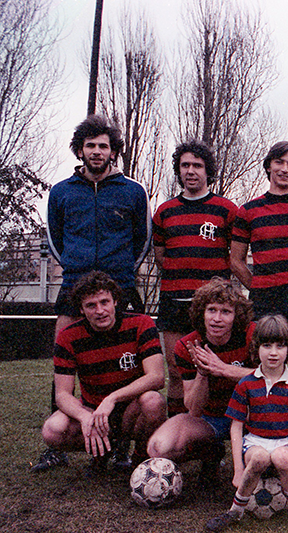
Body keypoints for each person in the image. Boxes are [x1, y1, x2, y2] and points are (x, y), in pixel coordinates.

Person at [35, 115, 151, 471]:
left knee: (127, 366)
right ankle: (59, 446)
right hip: (74, 284)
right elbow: (55, 238)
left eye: (103, 145)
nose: (97, 151)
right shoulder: (61, 191)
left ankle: (121, 446)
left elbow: (141, 240)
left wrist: (119, 273)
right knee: (64, 366)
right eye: (90, 145)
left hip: (121, 284)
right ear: (80, 150)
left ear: (113, 150)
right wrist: (76, 265)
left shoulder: (133, 191)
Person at [39, 271, 165, 473]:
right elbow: (62, 394)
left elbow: (157, 377)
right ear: (81, 309)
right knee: (52, 430)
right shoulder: (68, 336)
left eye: (104, 302)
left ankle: (140, 459)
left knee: (153, 401)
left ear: (115, 301)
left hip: (130, 409)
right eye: (91, 305)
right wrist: (84, 416)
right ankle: (104, 448)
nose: (100, 310)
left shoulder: (141, 323)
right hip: (94, 411)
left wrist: (112, 398)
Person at [205, 315, 288, 531]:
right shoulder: (246, 384)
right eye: (267, 345)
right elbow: (236, 425)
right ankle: (234, 512)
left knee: (281, 458)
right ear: (256, 348)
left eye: (280, 346)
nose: (273, 352)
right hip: (255, 441)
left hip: (284, 441)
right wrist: (238, 468)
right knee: (259, 458)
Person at [152, 141, 238, 417]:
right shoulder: (164, 212)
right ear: (178, 170)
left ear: (207, 171)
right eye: (185, 165)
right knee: (177, 372)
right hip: (174, 301)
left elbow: (235, 256)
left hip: (212, 307)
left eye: (197, 166)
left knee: (215, 371)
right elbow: (161, 256)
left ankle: (212, 436)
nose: (191, 171)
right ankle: (178, 428)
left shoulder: (226, 210)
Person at [230, 141, 288, 379]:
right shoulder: (248, 211)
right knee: (261, 371)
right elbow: (236, 260)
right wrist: (257, 285)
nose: (285, 169)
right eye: (279, 162)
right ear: (269, 166)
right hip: (264, 300)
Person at [147, 278, 255, 481]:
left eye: (225, 312)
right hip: (210, 418)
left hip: (250, 417)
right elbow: (194, 409)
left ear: (236, 316)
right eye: (211, 310)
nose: (217, 318)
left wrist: (223, 369)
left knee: (261, 464)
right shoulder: (187, 345)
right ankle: (211, 452)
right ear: (201, 313)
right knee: (159, 448)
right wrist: (203, 373)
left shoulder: (252, 335)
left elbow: (273, 380)